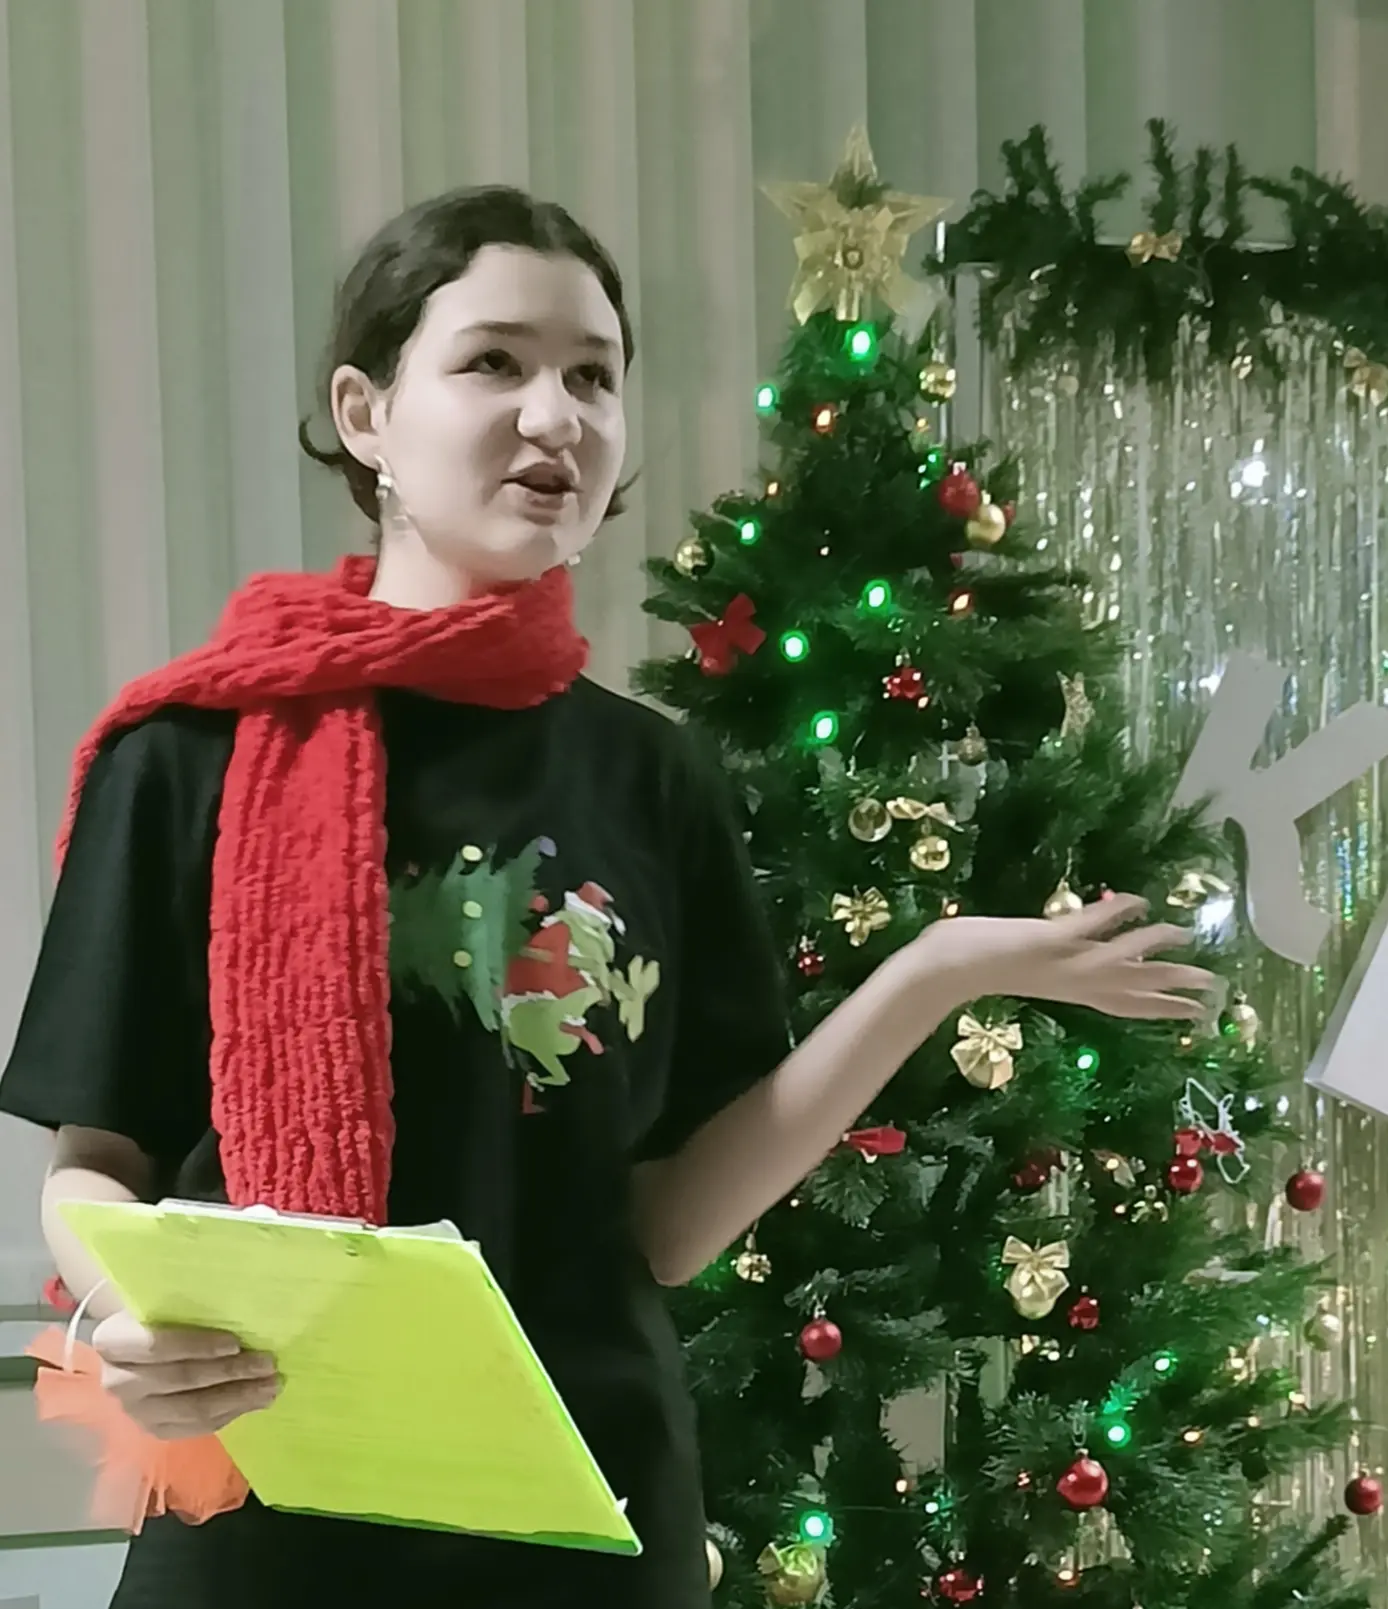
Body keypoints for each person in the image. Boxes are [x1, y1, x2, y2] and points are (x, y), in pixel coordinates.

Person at [0, 186, 1213, 1609]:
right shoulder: (189, 755)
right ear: (367, 414)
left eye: (594, 376)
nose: (555, 415)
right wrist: (130, 1314)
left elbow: (670, 1225)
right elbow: (98, 1168)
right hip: (265, 1511)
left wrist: (933, 971)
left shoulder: (655, 777)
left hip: (585, 1517)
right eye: (493, 362)